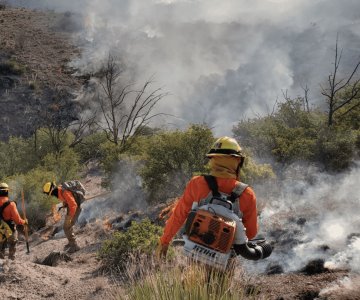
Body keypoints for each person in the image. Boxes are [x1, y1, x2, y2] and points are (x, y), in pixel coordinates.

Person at [158, 136, 270, 260]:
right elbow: (251, 233)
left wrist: (165, 241)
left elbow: (178, 216)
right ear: (237, 161)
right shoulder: (247, 194)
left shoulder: (197, 184)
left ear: (214, 160)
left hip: (194, 255)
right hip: (225, 258)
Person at [43, 181, 81, 253]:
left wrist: (70, 216)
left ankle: (75, 246)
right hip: (71, 208)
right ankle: (71, 243)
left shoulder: (64, 192)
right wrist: (64, 204)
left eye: (50, 194)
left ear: (52, 191)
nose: (51, 195)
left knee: (67, 227)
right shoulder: (60, 191)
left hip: (75, 209)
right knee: (66, 227)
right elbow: (67, 200)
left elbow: (73, 205)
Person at [0, 182, 27, 260]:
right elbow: (18, 220)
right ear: (7, 191)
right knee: (13, 242)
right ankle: (11, 260)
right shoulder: (11, 204)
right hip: (10, 228)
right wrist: (24, 222)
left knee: (1, 245)